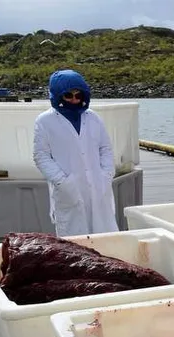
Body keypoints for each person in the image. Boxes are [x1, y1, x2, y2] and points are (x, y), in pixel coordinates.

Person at [33, 69, 118, 237]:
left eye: (78, 96)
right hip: (68, 191)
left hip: (98, 186)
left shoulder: (93, 118)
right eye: (68, 96)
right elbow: (41, 156)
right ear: (57, 95)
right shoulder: (45, 121)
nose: (74, 100)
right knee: (74, 245)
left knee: (107, 239)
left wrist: (106, 174)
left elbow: (105, 148)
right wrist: (62, 182)